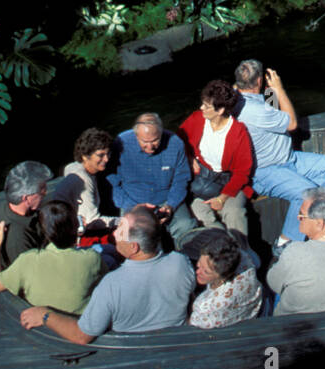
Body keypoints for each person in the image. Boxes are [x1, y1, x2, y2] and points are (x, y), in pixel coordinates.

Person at [19, 205, 194, 341]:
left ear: (134, 247)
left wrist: (45, 315)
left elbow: (82, 336)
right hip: (174, 341)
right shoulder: (181, 262)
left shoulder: (112, 284)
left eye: (121, 231)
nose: (115, 233)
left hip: (131, 352)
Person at [232, 59, 325, 244]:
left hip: (289, 160)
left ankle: (318, 223)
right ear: (259, 81)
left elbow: (270, 112)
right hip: (267, 171)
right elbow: (291, 123)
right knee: (306, 193)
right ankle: (285, 243)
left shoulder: (239, 98)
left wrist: (271, 92)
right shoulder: (254, 110)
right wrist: (279, 89)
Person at [0, 199, 104, 314]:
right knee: (108, 253)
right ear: (76, 227)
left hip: (44, 324)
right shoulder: (92, 258)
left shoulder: (27, 260)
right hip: (80, 321)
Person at [108, 112, 198, 249]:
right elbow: (113, 182)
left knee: (186, 227)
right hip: (133, 202)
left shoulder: (175, 143)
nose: (150, 147)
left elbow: (181, 180)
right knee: (135, 237)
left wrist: (170, 206)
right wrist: (130, 207)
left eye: (155, 141)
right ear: (136, 135)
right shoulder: (121, 143)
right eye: (144, 142)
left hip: (166, 200)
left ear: (162, 134)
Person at [266, 188, 325, 316]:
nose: (298, 218)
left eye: (302, 215)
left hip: (292, 326)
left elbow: (273, 283)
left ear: (319, 224)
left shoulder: (295, 251)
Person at [179, 80, 254, 236]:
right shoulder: (197, 118)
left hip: (229, 183)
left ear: (220, 110)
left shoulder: (238, 132)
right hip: (202, 182)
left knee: (235, 214)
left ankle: (243, 254)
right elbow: (179, 141)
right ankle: (222, 249)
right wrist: (190, 157)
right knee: (199, 213)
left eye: (206, 106)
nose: (201, 108)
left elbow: (242, 173)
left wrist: (222, 198)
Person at [188, 228, 262, 328]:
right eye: (199, 264)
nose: (197, 271)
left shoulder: (206, 307)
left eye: (206, 271)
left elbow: (192, 325)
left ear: (224, 276)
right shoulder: (244, 260)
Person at [52, 128, 116, 234]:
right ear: (85, 156)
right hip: (74, 233)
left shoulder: (73, 166)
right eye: (100, 155)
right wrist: (123, 221)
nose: (107, 159)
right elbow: (92, 221)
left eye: (108, 154)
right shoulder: (83, 180)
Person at [0, 161, 52, 270]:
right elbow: (31, 277)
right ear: (26, 198)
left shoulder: (7, 206)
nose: (45, 192)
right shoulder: (18, 238)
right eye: (41, 190)